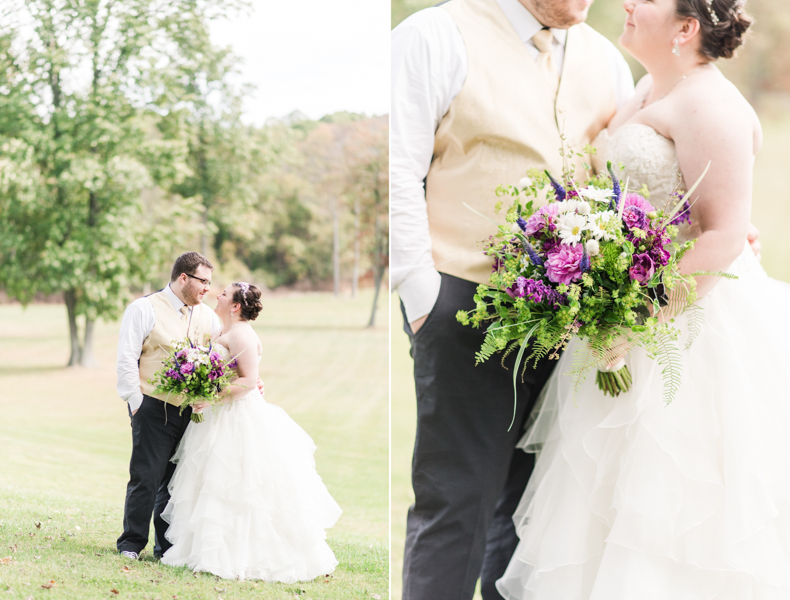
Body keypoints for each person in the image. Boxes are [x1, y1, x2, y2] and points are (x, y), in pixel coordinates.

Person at [496, 0, 790, 596]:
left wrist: (638, 319)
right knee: (599, 506)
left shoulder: (712, 105)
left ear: (686, 28)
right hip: (620, 317)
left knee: (665, 514)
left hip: (683, 330)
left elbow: (725, 234)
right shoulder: (645, 89)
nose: (628, 3)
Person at [391, 1, 635, 597]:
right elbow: (395, 169)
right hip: (465, 305)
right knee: (456, 501)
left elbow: (627, 180)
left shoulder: (607, 60)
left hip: (580, 321)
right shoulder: (434, 35)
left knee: (541, 513)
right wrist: (425, 298)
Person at [159, 283, 342, 582]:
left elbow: (248, 381)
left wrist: (211, 395)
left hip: (238, 418)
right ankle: (205, 551)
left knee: (238, 485)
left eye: (223, 293)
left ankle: (242, 556)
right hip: (220, 415)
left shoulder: (241, 332)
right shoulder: (222, 330)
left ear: (234, 306)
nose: (217, 295)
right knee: (212, 484)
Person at [116, 251, 221, 559]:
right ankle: (131, 544)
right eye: (203, 282)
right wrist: (136, 403)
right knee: (146, 477)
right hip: (151, 407)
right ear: (183, 277)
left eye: (211, 283)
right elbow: (126, 358)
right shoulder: (143, 308)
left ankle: (167, 549)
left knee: (176, 483)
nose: (207, 290)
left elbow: (222, 357)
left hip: (192, 414)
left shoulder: (208, 317)